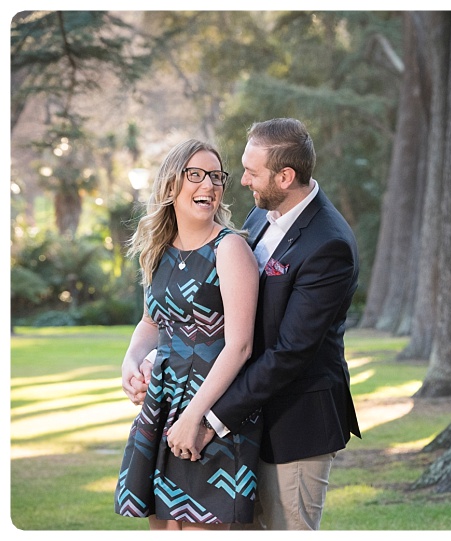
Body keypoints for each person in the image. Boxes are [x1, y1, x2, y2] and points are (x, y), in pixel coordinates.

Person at [125, 118, 362, 530]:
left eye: (251, 172)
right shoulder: (259, 219)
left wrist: (209, 419)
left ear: (285, 177)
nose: (242, 181)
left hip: (294, 423)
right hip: (240, 414)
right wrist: (145, 361)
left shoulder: (328, 244)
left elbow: (288, 352)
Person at [115, 139, 261, 529]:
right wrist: (130, 363)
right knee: (163, 526)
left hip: (213, 409)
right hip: (162, 404)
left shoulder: (229, 249)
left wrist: (195, 417)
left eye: (216, 176)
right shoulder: (159, 250)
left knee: (203, 527)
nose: (209, 185)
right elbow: (151, 323)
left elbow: (241, 345)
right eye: (195, 174)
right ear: (170, 185)